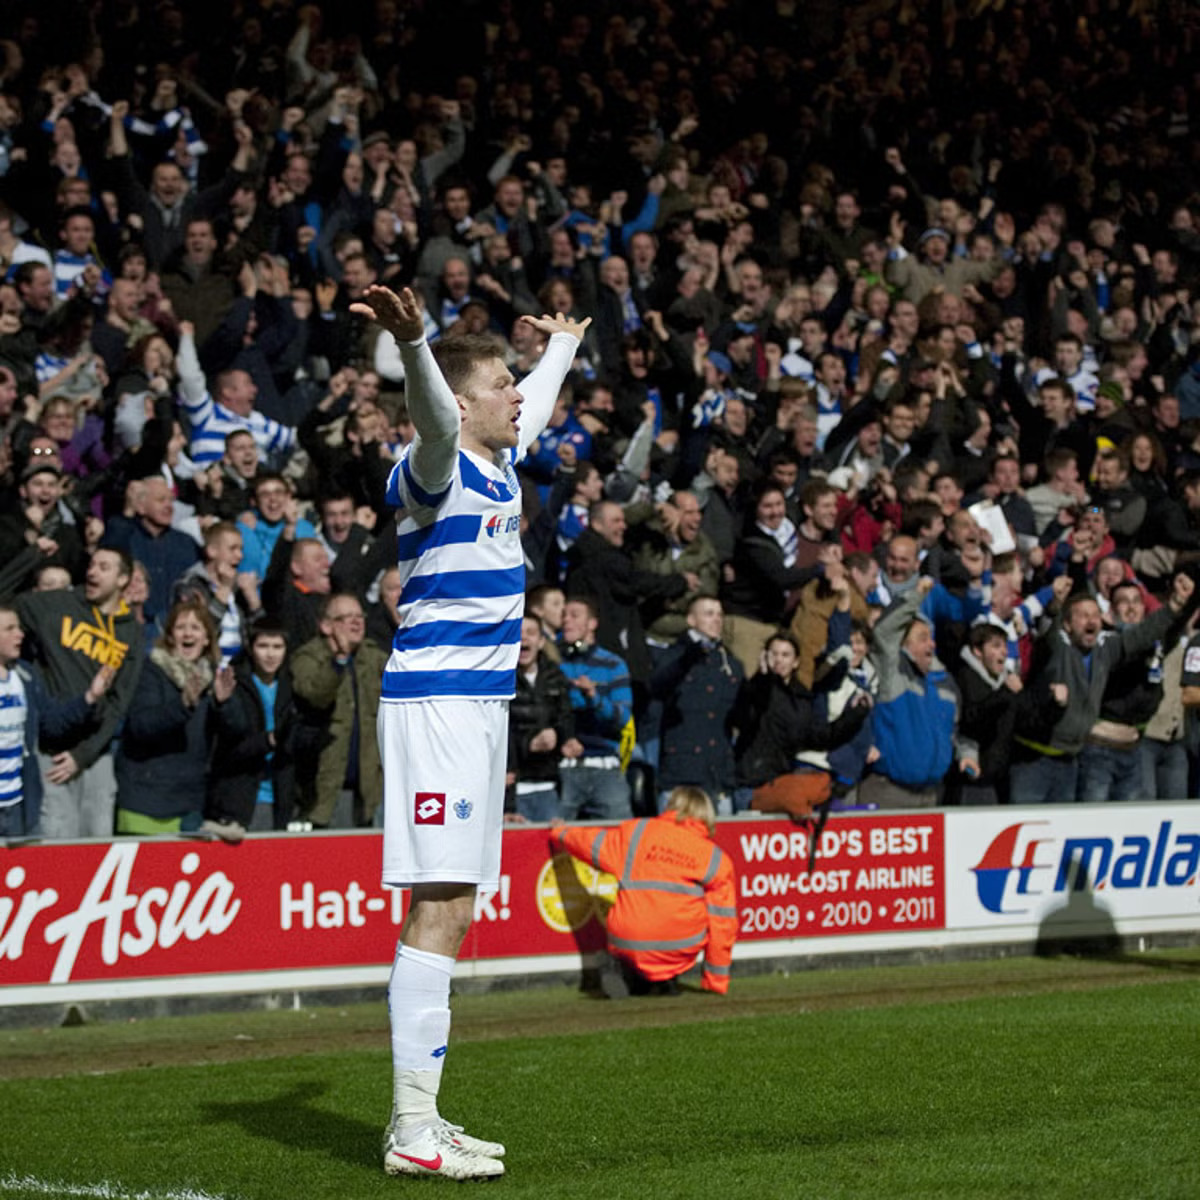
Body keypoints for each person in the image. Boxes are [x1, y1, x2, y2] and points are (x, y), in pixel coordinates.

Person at [351, 282, 587, 1180]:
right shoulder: (436, 464)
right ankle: (413, 1128)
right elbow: (438, 422)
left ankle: (425, 1117)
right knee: (440, 905)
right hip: (439, 705)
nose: (517, 391)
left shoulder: (502, 461)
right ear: (459, 401)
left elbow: (536, 404)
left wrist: (561, 345)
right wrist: (415, 348)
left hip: (478, 710)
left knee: (456, 907)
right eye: (501, 382)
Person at [550, 785, 736, 997]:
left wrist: (560, 832)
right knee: (694, 915)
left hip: (628, 939)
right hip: (681, 945)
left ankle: (622, 971)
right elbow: (723, 922)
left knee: (627, 924)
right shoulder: (715, 858)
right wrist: (716, 981)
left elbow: (589, 842)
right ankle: (666, 980)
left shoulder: (637, 833)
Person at [113, 599, 227, 834]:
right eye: (180, 627)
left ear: (207, 639)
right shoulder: (152, 670)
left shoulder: (213, 680)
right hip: (146, 799)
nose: (188, 633)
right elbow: (141, 725)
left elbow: (234, 732)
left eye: (196, 628)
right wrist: (183, 704)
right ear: (170, 636)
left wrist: (225, 704)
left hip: (190, 802)